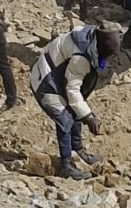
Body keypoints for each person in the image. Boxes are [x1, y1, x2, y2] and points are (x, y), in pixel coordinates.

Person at [30, 21, 123, 175]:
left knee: (75, 113)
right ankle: (66, 165)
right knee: (64, 118)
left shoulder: (91, 36)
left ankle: (78, 151)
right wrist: (89, 117)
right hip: (45, 79)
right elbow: (72, 89)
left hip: (58, 74)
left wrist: (82, 113)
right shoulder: (81, 57)